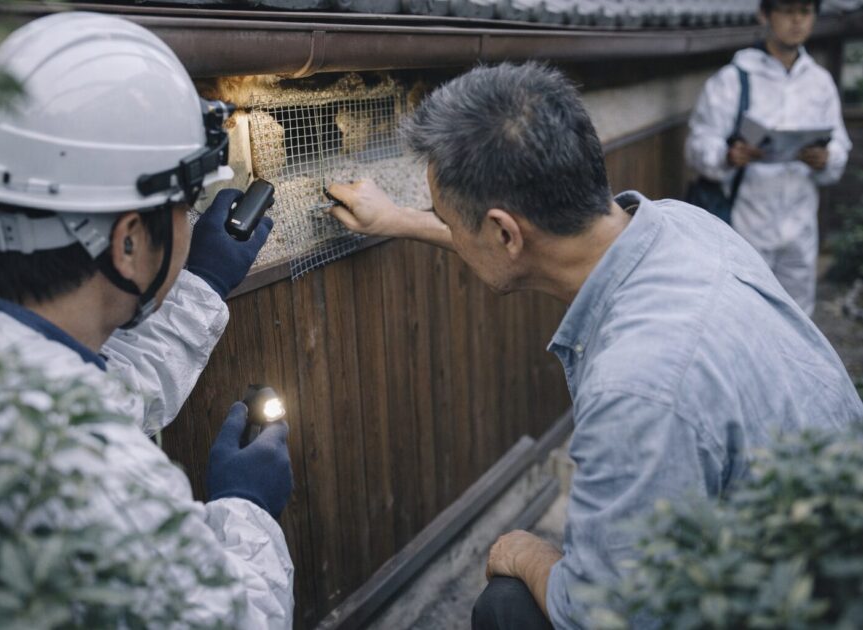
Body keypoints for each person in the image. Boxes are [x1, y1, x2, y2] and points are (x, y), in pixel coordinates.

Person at [326, 62, 863, 629]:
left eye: (448, 218)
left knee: (509, 607)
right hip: (824, 551)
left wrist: (522, 551)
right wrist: (402, 220)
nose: (448, 227)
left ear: (505, 232)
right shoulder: (682, 225)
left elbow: (601, 614)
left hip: (806, 609)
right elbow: (529, 246)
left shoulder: (639, 387)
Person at [0, 12, 294, 628]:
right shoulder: (108, 482)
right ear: (127, 243)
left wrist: (195, 284)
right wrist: (244, 509)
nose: (189, 221)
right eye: (184, 206)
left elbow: (84, 387)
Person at [685, 0, 850, 316]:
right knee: (745, 314)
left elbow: (840, 144)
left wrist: (826, 157)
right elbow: (697, 146)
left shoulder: (819, 82)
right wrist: (728, 155)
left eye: (805, 11)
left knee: (798, 317)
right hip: (745, 222)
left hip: (800, 223)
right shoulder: (733, 79)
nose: (797, 21)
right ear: (765, 14)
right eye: (787, 11)